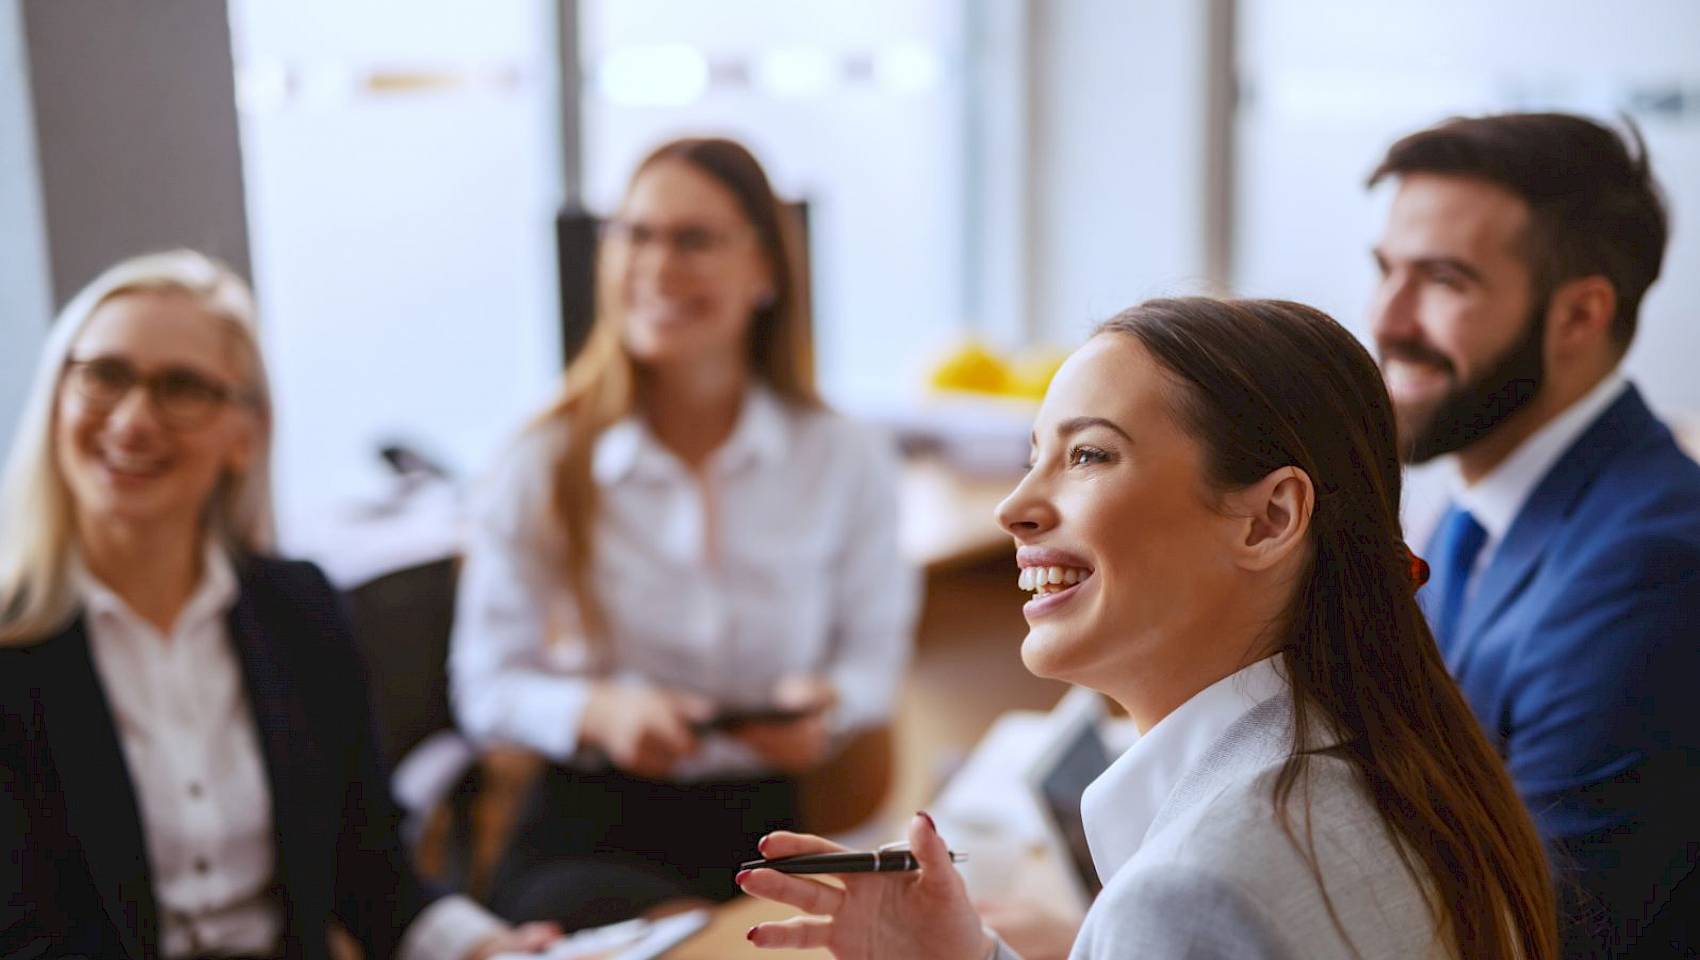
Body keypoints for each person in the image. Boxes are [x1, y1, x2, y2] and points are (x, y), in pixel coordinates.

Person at [736, 297, 1559, 959]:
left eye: (1088, 456)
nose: (1013, 507)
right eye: (1034, 455)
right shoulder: (1401, 774)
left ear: (1271, 519)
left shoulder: (1189, 893)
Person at [0, 251, 559, 960]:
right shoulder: (13, 647)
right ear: (56, 398)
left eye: (181, 387)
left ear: (244, 435)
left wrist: (488, 947)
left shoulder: (296, 611)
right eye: (104, 376)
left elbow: (373, 877)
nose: (135, 420)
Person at [449, 137, 918, 928]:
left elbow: (875, 659)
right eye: (634, 235)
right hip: (587, 835)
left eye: (693, 239)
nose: (657, 265)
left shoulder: (845, 457)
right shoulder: (541, 460)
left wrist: (827, 707)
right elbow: (484, 686)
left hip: (766, 828)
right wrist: (597, 711)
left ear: (766, 270)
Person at [1367, 113, 1700, 957]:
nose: (1388, 318)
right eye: (1385, 271)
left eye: (1443, 281)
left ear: (1582, 314)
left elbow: (1535, 927)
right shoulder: (1471, 514)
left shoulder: (1650, 567)